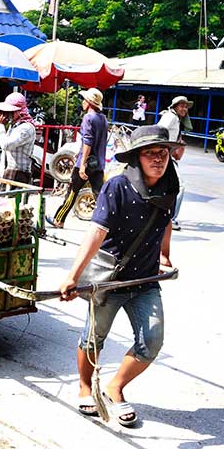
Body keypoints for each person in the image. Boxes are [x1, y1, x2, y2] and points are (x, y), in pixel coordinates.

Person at [58, 125, 181, 427]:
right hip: (110, 276)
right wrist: (72, 276)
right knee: (93, 338)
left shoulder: (169, 187)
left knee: (152, 340)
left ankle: (115, 388)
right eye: (150, 153)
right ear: (137, 158)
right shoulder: (117, 187)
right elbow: (96, 232)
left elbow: (165, 221)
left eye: (162, 153)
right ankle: (86, 386)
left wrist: (164, 255)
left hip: (144, 280)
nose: (158, 159)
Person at [48, 88, 108, 229]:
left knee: (72, 192)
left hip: (86, 163)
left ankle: (59, 220)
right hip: (98, 163)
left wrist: (82, 164)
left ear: (89, 103)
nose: (82, 103)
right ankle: (107, 224)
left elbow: (88, 141)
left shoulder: (88, 117)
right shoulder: (103, 119)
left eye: (84, 100)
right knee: (99, 195)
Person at [157, 95, 192, 231]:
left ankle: (163, 215)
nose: (184, 108)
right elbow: (159, 131)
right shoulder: (170, 117)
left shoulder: (176, 119)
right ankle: (171, 218)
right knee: (180, 186)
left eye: (186, 106)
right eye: (182, 106)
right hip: (164, 155)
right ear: (175, 107)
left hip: (167, 155)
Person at [0, 92, 36, 186]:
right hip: (8, 172)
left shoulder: (26, 128)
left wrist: (0, 126)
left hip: (19, 174)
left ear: (18, 112)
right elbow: (6, 151)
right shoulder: (14, 126)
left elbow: (6, 145)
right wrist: (1, 168)